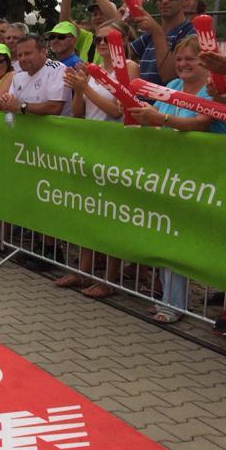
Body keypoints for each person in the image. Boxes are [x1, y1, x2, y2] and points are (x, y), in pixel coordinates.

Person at [127, 35, 226, 323]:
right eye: (179, 58)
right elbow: (157, 116)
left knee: (188, 239)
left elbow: (201, 122)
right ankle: (170, 300)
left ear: (205, 62)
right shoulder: (171, 86)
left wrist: (160, 121)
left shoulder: (213, 89)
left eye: (190, 59)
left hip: (203, 175)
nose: (183, 64)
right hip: (171, 174)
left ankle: (184, 302)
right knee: (168, 234)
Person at [58, 20, 139, 298]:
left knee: (112, 214)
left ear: (123, 40)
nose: (103, 44)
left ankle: (110, 279)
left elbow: (118, 110)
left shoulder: (127, 68)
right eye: (99, 39)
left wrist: (86, 86)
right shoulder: (93, 69)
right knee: (87, 210)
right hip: (92, 144)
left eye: (109, 39)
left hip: (116, 146)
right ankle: (83, 271)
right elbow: (80, 112)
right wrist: (79, 88)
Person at [130, 0, 195, 86]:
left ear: (186, 1)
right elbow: (120, 56)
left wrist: (157, 32)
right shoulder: (150, 34)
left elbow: (170, 77)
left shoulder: (191, 34)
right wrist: (120, 20)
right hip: (140, 101)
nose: (164, 1)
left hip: (166, 102)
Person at [0, 34, 71, 117]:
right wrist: (5, 102)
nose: (22, 59)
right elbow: (12, 105)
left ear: (43, 52)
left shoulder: (57, 69)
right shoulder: (17, 76)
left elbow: (55, 108)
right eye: (20, 55)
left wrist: (21, 106)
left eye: (27, 54)